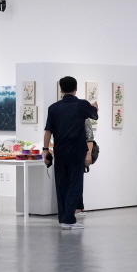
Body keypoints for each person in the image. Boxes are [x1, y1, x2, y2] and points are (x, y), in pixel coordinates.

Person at [43, 76, 99, 229]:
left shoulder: (53, 108)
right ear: (76, 89)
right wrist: (95, 107)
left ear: (61, 90)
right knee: (75, 185)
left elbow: (48, 131)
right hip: (76, 152)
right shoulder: (82, 105)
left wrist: (45, 150)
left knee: (61, 185)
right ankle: (69, 219)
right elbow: (94, 115)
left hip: (60, 151)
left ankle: (63, 217)